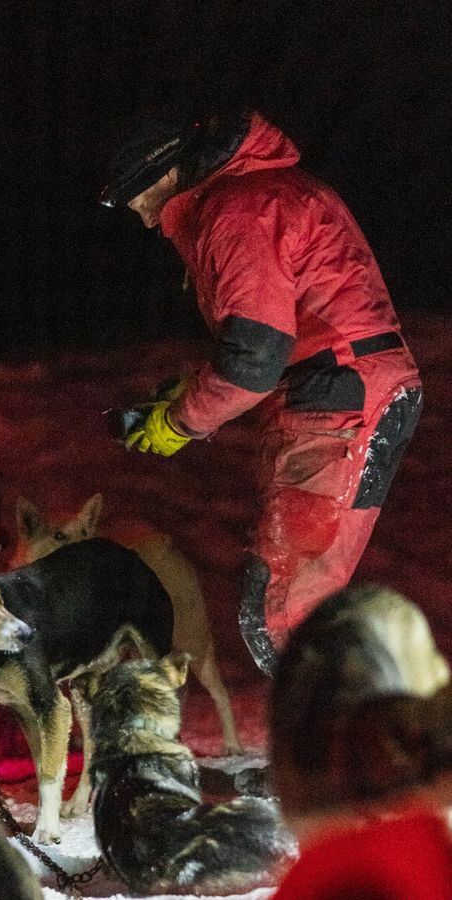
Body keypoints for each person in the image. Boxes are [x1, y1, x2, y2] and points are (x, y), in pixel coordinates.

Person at [99, 108, 422, 675]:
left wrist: (179, 422)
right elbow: (267, 339)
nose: (148, 222)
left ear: (164, 174)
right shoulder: (263, 193)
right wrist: (191, 392)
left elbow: (252, 362)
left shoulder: (236, 210)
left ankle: (349, 753)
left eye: (140, 203)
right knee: (302, 607)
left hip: (339, 396)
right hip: (349, 388)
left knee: (280, 614)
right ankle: (369, 743)